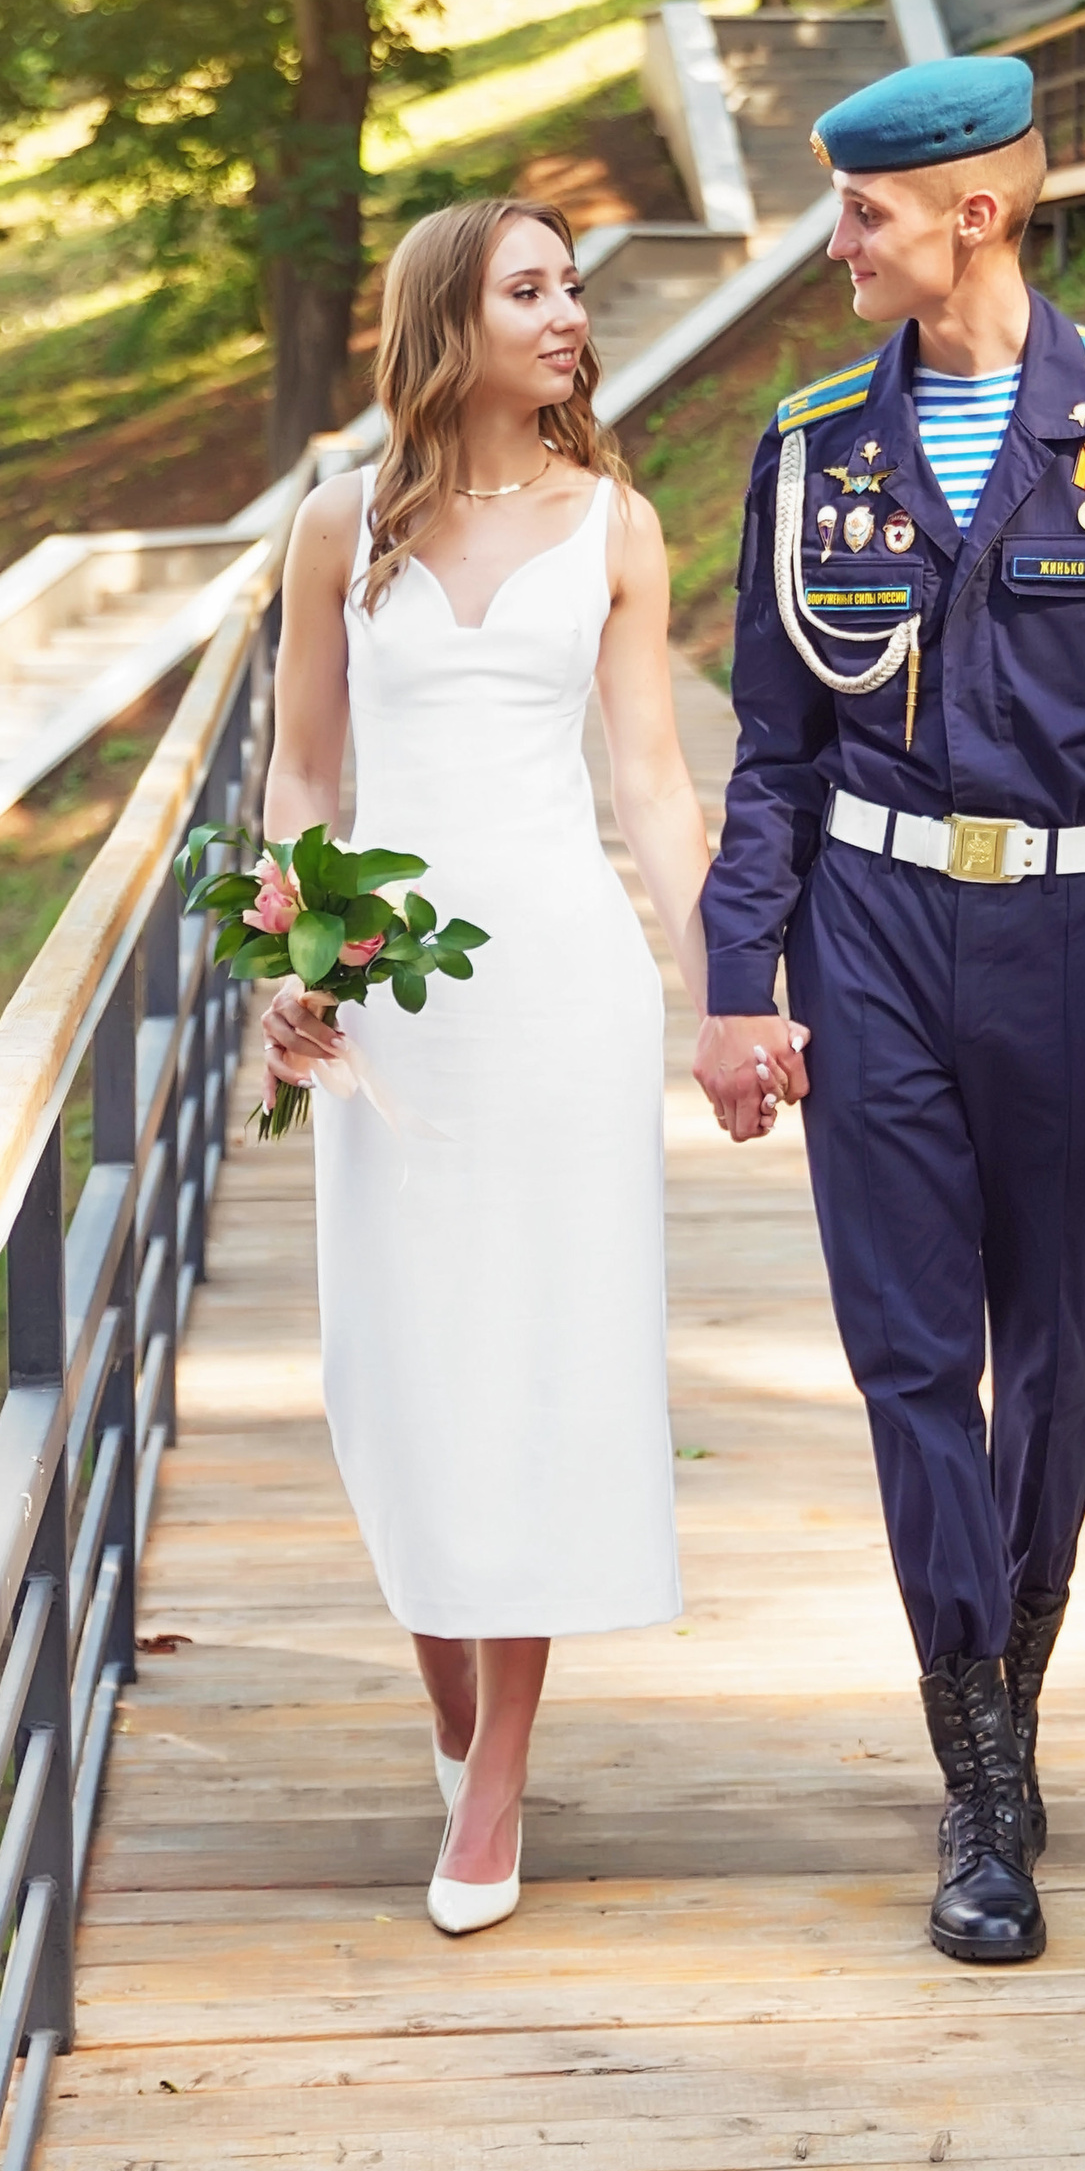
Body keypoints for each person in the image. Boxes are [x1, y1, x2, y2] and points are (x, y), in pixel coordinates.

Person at [693, 55, 1085, 1966]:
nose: (837, 237)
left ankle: (1007, 1702)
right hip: (870, 941)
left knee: (1053, 1359)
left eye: (864, 210)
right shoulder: (809, 446)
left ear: (977, 211)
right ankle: (977, 1777)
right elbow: (773, 756)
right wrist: (738, 984)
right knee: (905, 1365)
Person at [258, 197, 713, 1939]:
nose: (568, 316)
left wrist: (720, 987)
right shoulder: (335, 528)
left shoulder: (616, 523)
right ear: (447, 315)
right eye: (531, 288)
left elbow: (656, 787)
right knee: (395, 1367)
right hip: (389, 998)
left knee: (533, 1364)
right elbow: (305, 778)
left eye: (574, 291)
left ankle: (499, 1781)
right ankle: (449, 1688)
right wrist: (289, 952)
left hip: (560, 995)